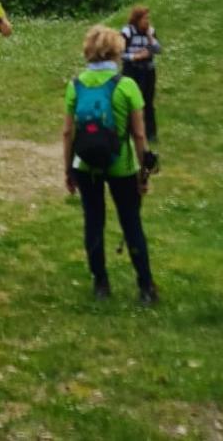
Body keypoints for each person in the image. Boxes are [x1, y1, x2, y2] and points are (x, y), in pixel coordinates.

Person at [64, 24, 160, 305]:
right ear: (116, 52)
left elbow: (68, 132)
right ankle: (145, 286)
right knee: (131, 222)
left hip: (86, 165)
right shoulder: (126, 85)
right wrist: (144, 171)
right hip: (122, 164)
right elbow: (140, 134)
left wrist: (68, 169)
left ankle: (101, 283)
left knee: (93, 221)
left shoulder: (76, 85)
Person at [120, 5, 161, 148]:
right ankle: (129, 132)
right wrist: (135, 56)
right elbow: (119, 53)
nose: (147, 21)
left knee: (148, 102)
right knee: (131, 102)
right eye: (145, 18)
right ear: (137, 19)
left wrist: (150, 37)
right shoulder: (127, 32)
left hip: (148, 71)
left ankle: (151, 134)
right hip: (132, 70)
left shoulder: (150, 31)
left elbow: (158, 49)